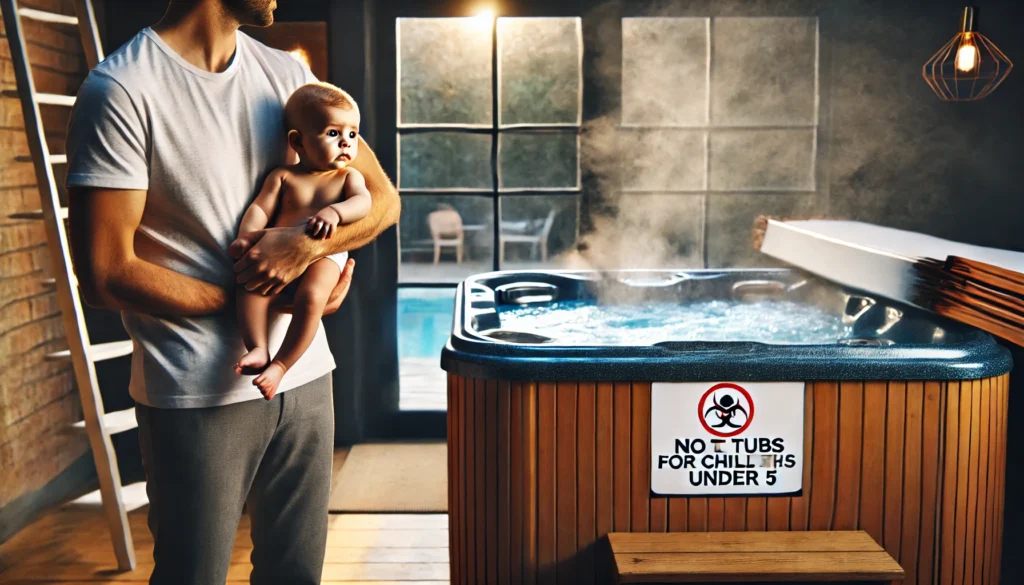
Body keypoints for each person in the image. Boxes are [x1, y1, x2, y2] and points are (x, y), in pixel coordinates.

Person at [64, 0, 400, 582]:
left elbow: (383, 202)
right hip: (196, 393)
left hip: (307, 377)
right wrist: (264, 297)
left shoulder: (292, 78)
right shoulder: (121, 89)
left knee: (294, 575)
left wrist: (308, 248)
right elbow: (104, 272)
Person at [234, 82, 371, 399]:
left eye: (352, 135)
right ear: (298, 141)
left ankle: (281, 365)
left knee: (311, 297)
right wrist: (247, 238)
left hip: (325, 254)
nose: (346, 144)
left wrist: (336, 213)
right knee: (250, 285)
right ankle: (257, 346)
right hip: (275, 253)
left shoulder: (347, 177)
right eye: (333, 134)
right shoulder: (283, 176)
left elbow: (363, 203)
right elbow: (259, 208)